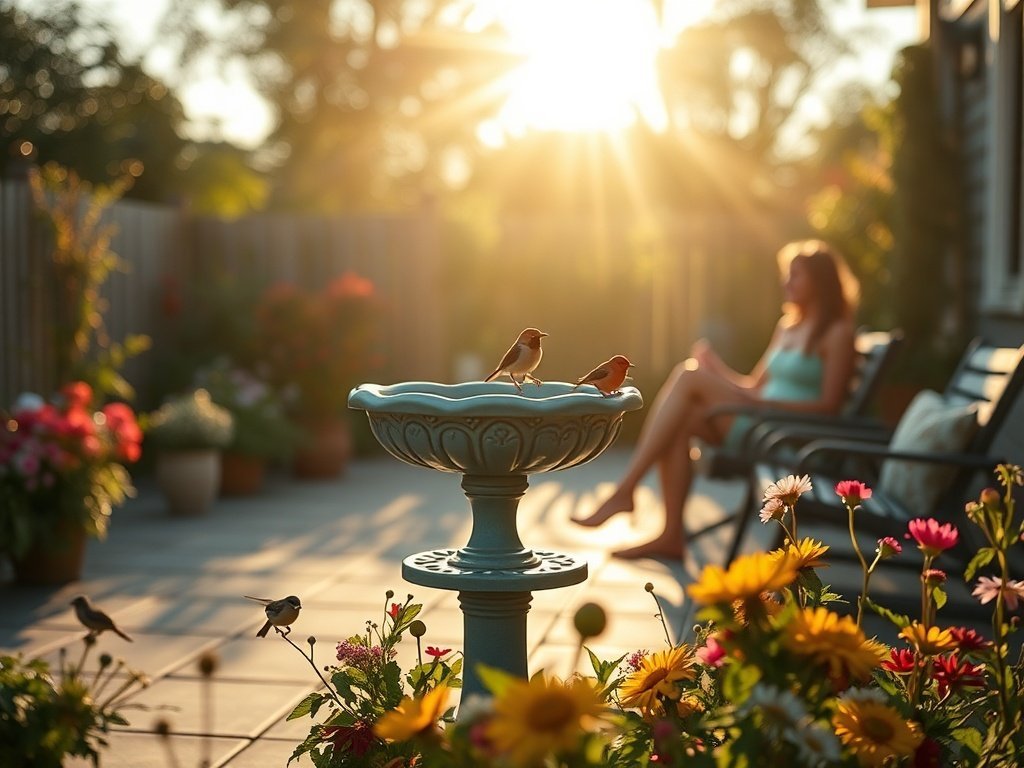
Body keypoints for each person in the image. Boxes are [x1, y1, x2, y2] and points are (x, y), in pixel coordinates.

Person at [571, 239, 860, 561]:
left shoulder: (837, 333)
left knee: (687, 375)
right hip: (761, 420)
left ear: (820, 281)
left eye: (796, 275)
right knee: (682, 418)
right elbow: (752, 386)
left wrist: (767, 406)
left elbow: (829, 407)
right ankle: (670, 536)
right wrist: (716, 368)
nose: (786, 282)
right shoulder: (788, 328)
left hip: (788, 436)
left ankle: (625, 492)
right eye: (787, 274)